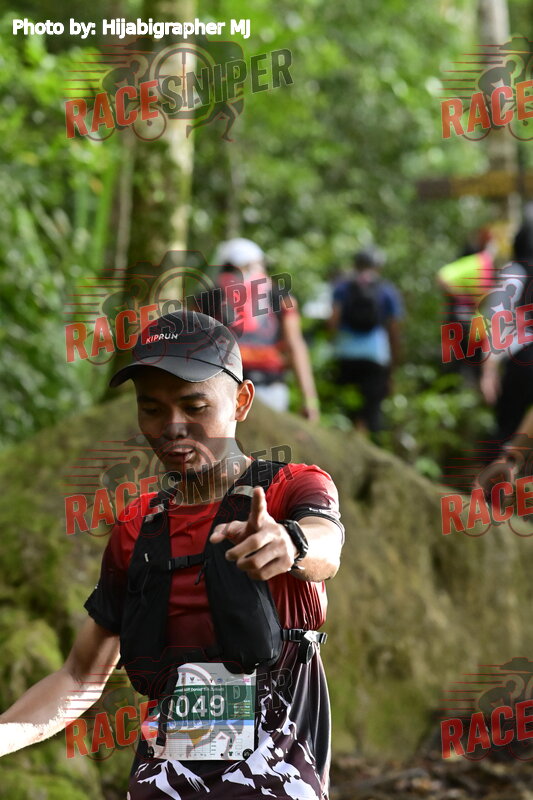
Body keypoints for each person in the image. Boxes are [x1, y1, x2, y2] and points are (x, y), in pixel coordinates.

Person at [0, 310, 344, 800]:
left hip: (278, 779)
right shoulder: (138, 525)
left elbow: (326, 542)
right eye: (152, 409)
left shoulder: (290, 488)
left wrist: (290, 543)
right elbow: (79, 675)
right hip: (163, 782)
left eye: (194, 405)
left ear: (242, 401)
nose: (172, 428)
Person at [200, 238, 320, 422]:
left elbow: (295, 346)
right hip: (250, 387)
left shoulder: (209, 298)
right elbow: (295, 346)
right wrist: (309, 400)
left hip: (239, 388)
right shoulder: (279, 297)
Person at [329, 247, 402, 433]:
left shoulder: (343, 287)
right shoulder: (386, 290)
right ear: (378, 266)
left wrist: (332, 342)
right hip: (375, 353)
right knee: (371, 408)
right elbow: (394, 328)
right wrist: (395, 360)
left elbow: (333, 320)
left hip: (345, 351)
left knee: (345, 406)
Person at [480, 205, 533, 442]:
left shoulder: (515, 271)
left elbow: (497, 321)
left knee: (508, 430)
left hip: (522, 360)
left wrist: (488, 372)